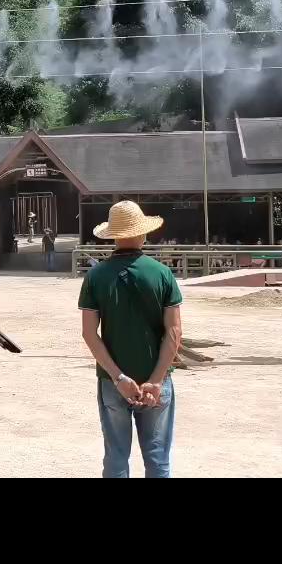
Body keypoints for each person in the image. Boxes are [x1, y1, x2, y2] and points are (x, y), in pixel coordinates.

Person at [78, 200, 183, 479]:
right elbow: (174, 332)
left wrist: (119, 377)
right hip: (156, 379)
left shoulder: (95, 276)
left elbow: (89, 333)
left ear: (114, 235)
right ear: (143, 233)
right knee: (158, 460)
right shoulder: (162, 273)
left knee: (116, 458)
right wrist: (157, 380)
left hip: (113, 382)